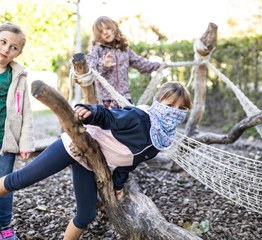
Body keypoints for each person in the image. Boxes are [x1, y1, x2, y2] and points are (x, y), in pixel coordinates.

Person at [0, 81, 191, 239]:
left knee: (86, 215)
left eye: (181, 108)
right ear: (158, 103)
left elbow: (129, 164)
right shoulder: (140, 117)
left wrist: (118, 184)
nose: (175, 112)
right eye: (170, 105)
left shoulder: (160, 141)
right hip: (76, 145)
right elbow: (110, 116)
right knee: (20, 180)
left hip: (91, 160)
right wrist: (89, 112)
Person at [0, 23, 35, 239]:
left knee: (4, 186)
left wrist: (25, 143)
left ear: (19, 52)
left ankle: (4, 227)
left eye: (13, 47)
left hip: (6, 142)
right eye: (2, 42)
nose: (5, 49)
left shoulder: (18, 76)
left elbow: (26, 113)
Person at [86, 16, 166, 109]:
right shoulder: (97, 49)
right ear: (97, 35)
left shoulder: (124, 50)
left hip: (125, 98)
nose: (105, 32)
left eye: (108, 28)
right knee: (111, 122)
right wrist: (103, 64)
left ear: (114, 28)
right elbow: (90, 65)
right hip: (107, 99)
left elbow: (139, 62)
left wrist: (158, 65)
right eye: (101, 31)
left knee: (128, 121)